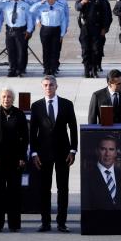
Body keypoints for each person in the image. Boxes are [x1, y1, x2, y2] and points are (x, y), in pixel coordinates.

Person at [30, 75, 78, 232]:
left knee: (63, 189)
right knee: (45, 189)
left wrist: (73, 150)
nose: (48, 87)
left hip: (63, 153)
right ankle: (45, 222)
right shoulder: (36, 106)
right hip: (43, 154)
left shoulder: (66, 104)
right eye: (45, 85)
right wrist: (34, 153)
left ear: (56, 87)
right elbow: (32, 132)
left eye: (51, 85)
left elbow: (73, 127)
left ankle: (61, 222)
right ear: (42, 87)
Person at [0, 87, 28, 232]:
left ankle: (14, 224)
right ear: (0, 98)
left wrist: (23, 157)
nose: (6, 99)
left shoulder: (19, 114)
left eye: (9, 97)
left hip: (15, 160)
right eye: (4, 96)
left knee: (14, 192)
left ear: (13, 99)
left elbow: (25, 138)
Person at [0, 0, 34, 78]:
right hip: (10, 30)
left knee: (21, 51)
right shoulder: (6, 4)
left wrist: (29, 30)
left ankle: (19, 70)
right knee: (11, 51)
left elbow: (29, 19)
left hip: (21, 30)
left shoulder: (25, 5)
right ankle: (12, 69)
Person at [76, 0, 112, 78]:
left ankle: (94, 69)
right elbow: (77, 7)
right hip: (85, 28)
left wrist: (105, 28)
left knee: (96, 50)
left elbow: (106, 15)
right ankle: (87, 70)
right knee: (86, 50)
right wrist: (83, 2)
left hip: (97, 28)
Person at [83, 135, 121, 211]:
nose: (107, 154)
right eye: (103, 149)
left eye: (111, 149)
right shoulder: (87, 177)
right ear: (97, 151)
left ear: (115, 153)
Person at [30, 0, 68, 76]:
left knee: (55, 51)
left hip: (56, 30)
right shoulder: (42, 6)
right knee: (46, 50)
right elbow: (31, 10)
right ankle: (46, 69)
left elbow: (63, 21)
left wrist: (62, 34)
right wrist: (41, 2)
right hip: (45, 30)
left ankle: (53, 69)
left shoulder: (60, 7)